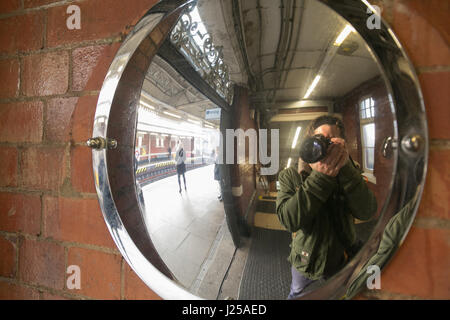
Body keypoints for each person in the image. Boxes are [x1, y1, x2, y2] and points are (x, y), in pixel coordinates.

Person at [276, 115, 377, 299]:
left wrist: (346, 169)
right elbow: (288, 220)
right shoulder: (291, 176)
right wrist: (321, 177)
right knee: (297, 294)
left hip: (342, 258)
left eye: (331, 142)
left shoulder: (350, 172)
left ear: (342, 144)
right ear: (309, 142)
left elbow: (367, 210)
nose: (324, 146)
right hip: (304, 261)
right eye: (319, 140)